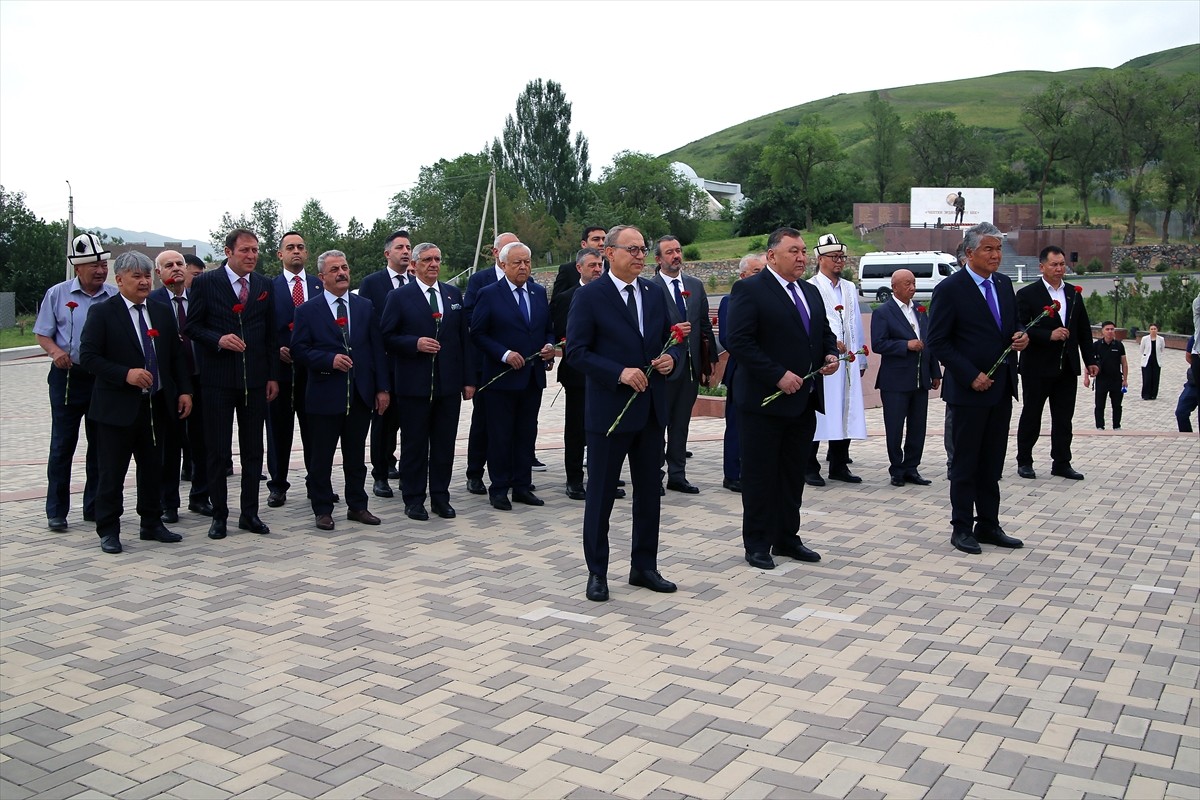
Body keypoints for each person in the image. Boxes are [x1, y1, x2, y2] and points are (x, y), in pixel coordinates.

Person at [566, 225, 683, 600]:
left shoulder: (651, 292)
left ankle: (644, 566)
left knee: (649, 492)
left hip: (650, 411)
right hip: (609, 413)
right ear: (609, 254)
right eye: (631, 249)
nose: (639, 255)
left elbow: (672, 339)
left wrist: (671, 359)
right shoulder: (590, 296)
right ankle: (597, 571)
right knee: (600, 494)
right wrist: (618, 372)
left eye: (643, 249)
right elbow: (577, 352)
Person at [726, 227, 838, 570]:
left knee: (791, 474)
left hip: (802, 401)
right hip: (764, 402)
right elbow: (738, 340)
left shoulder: (810, 292)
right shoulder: (750, 289)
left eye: (804, 251)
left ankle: (787, 537)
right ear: (772, 256)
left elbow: (822, 334)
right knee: (761, 476)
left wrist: (830, 355)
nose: (802, 257)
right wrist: (776, 374)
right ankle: (757, 543)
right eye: (794, 251)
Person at [79, 252, 193, 554]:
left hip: (156, 404)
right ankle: (109, 529)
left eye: (147, 277)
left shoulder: (160, 310)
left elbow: (175, 356)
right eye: (136, 277)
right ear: (119, 280)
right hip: (116, 408)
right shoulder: (103, 312)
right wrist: (124, 374)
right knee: (112, 472)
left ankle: (152, 522)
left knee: (153, 468)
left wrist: (184, 391)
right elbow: (88, 357)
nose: (144, 282)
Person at [926, 222, 1029, 555]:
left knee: (992, 462)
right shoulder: (950, 289)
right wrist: (970, 375)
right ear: (969, 252)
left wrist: (1021, 336)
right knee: (965, 463)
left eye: (998, 248)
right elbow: (938, 341)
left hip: (1000, 391)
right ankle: (961, 528)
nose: (996, 255)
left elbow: (1010, 324)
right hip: (968, 392)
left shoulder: (1002, 284)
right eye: (989, 249)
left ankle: (989, 523)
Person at [184, 228, 279, 540]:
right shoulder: (205, 282)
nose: (251, 256)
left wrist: (271, 376)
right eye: (245, 251)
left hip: (254, 380)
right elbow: (192, 327)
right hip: (217, 381)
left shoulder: (264, 285)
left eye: (255, 251)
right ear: (228, 252)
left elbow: (270, 334)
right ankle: (220, 515)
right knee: (217, 450)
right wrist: (218, 339)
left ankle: (249, 513)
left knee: (254, 449)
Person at [291, 250, 389, 531]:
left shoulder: (364, 306)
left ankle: (358, 506)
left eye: (344, 267)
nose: (342, 273)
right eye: (334, 269)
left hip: (360, 394)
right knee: (321, 457)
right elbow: (299, 350)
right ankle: (322, 508)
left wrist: (382, 388)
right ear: (321, 277)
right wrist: (328, 360)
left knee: (356, 456)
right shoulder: (307, 310)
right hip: (324, 395)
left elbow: (376, 351)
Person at [381, 242, 473, 521]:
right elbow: (385, 336)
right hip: (414, 385)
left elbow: (463, 341)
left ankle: (440, 497)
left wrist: (468, 380)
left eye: (437, 259)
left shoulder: (452, 293)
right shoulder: (399, 297)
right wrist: (414, 343)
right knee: (415, 444)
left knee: (444, 444)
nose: (433, 264)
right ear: (414, 265)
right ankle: (413, 498)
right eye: (427, 260)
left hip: (447, 385)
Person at [33, 232, 118, 532]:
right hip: (67, 377)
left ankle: (94, 506)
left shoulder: (113, 296)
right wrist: (56, 352)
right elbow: (43, 332)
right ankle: (56, 510)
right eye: (93, 265)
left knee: (101, 445)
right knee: (62, 445)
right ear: (77, 268)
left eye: (103, 264)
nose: (100, 270)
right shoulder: (57, 294)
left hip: (101, 379)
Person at [470, 242, 555, 510]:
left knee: (526, 434)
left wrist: (549, 346)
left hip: (532, 377)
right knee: (500, 435)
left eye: (527, 262)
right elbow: (478, 333)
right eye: (517, 263)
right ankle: (499, 488)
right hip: (502, 378)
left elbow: (547, 329)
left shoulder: (538, 292)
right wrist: (504, 354)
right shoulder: (489, 293)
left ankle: (522, 486)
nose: (523, 267)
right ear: (503, 265)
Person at [1014, 246, 1098, 481]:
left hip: (1067, 367)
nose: (1059, 269)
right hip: (1037, 367)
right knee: (1032, 414)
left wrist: (1090, 360)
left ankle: (1061, 462)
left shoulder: (1073, 293)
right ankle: (1025, 461)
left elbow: (1083, 330)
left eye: (1062, 264)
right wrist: (1047, 335)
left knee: (1063, 418)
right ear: (1042, 267)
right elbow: (1020, 327)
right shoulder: (1027, 294)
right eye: (1054, 264)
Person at [149, 250, 210, 522]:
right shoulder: (152, 302)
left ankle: (200, 497)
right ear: (158, 273)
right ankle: (168, 503)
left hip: (201, 378)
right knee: (169, 446)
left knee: (202, 442)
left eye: (180, 264)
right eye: (168, 265)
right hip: (169, 384)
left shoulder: (200, 298)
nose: (176, 269)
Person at [654, 235, 716, 495]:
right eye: (669, 252)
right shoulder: (650, 288)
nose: (676, 256)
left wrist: (710, 361)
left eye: (678, 250)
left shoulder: (695, 285)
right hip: (663, 369)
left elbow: (703, 325)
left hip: (691, 367)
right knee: (658, 424)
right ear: (658, 259)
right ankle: (654, 475)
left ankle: (677, 474)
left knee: (681, 423)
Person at [266, 232, 323, 508]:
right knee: (278, 430)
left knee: (314, 428)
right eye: (290, 247)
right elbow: (261, 327)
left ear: (307, 253)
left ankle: (317, 483)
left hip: (313, 371)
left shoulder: (317, 285)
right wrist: (276, 348)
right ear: (280, 254)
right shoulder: (268, 287)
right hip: (280, 371)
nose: (296, 251)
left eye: (301, 247)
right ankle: (277, 485)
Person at [806, 234, 867, 486]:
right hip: (825, 362)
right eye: (834, 257)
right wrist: (828, 346)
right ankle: (809, 466)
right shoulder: (810, 287)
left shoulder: (850, 288)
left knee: (846, 409)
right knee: (821, 412)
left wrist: (860, 359)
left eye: (842, 257)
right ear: (820, 259)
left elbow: (856, 324)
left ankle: (839, 464)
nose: (839, 262)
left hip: (849, 361)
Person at [356, 229, 413, 499]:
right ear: (387, 253)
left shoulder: (417, 282)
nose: (405, 251)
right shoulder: (372, 283)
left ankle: (404, 469)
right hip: (384, 365)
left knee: (408, 422)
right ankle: (380, 474)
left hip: (412, 365)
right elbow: (368, 327)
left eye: (408, 247)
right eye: (400, 247)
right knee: (382, 422)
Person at [462, 232, 520, 495]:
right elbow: (472, 320)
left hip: (519, 366)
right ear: (497, 254)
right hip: (489, 363)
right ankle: (475, 472)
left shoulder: (527, 283)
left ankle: (514, 473)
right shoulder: (480, 281)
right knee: (484, 421)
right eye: (509, 249)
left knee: (515, 424)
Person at [871, 269, 941, 487]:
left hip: (920, 379)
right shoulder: (884, 312)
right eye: (907, 284)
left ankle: (912, 467)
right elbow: (878, 344)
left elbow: (929, 341)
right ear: (895, 287)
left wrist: (935, 371)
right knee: (894, 427)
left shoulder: (920, 310)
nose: (912, 287)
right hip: (895, 381)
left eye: (914, 283)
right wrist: (905, 345)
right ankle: (897, 469)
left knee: (918, 426)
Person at [550, 247, 605, 500]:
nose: (597, 269)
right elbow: (563, 333)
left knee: (604, 429)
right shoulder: (566, 298)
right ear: (579, 268)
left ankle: (602, 478)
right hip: (577, 374)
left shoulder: (610, 294)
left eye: (600, 265)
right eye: (592, 265)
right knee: (576, 428)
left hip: (606, 372)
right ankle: (574, 479)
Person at [718, 252, 765, 492]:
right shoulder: (731, 300)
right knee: (737, 424)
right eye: (757, 272)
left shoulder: (768, 299)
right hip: (742, 372)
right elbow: (728, 338)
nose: (762, 276)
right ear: (742, 275)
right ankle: (732, 474)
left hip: (766, 374)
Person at [1084, 321, 1128, 430]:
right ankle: (1099, 426)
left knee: (1117, 405)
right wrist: (1086, 378)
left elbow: (1124, 363)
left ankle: (1116, 425)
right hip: (1101, 379)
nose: (1110, 331)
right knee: (1099, 405)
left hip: (1116, 379)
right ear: (1102, 331)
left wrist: (1125, 379)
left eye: (1112, 329)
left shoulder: (1119, 345)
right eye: (1107, 329)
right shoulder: (1096, 345)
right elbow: (1088, 362)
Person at [552, 226, 607, 298]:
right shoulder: (568, 270)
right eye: (596, 239)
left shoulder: (613, 268)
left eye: (604, 239)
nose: (602, 243)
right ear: (584, 244)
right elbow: (557, 303)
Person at [1174, 336, 1197, 432]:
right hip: (1194, 384)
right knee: (1181, 411)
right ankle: (1187, 436)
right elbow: (1188, 356)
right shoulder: (1195, 338)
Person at [1139, 324, 1165, 400]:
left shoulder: (1161, 339)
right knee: (1147, 378)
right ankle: (1146, 394)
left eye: (1155, 329)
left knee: (1155, 378)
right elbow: (1141, 349)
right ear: (1149, 330)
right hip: (1147, 360)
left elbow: (1162, 349)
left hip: (1156, 360)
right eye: (1151, 329)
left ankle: (1153, 394)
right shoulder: (1144, 339)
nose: (1153, 330)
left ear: (1157, 330)